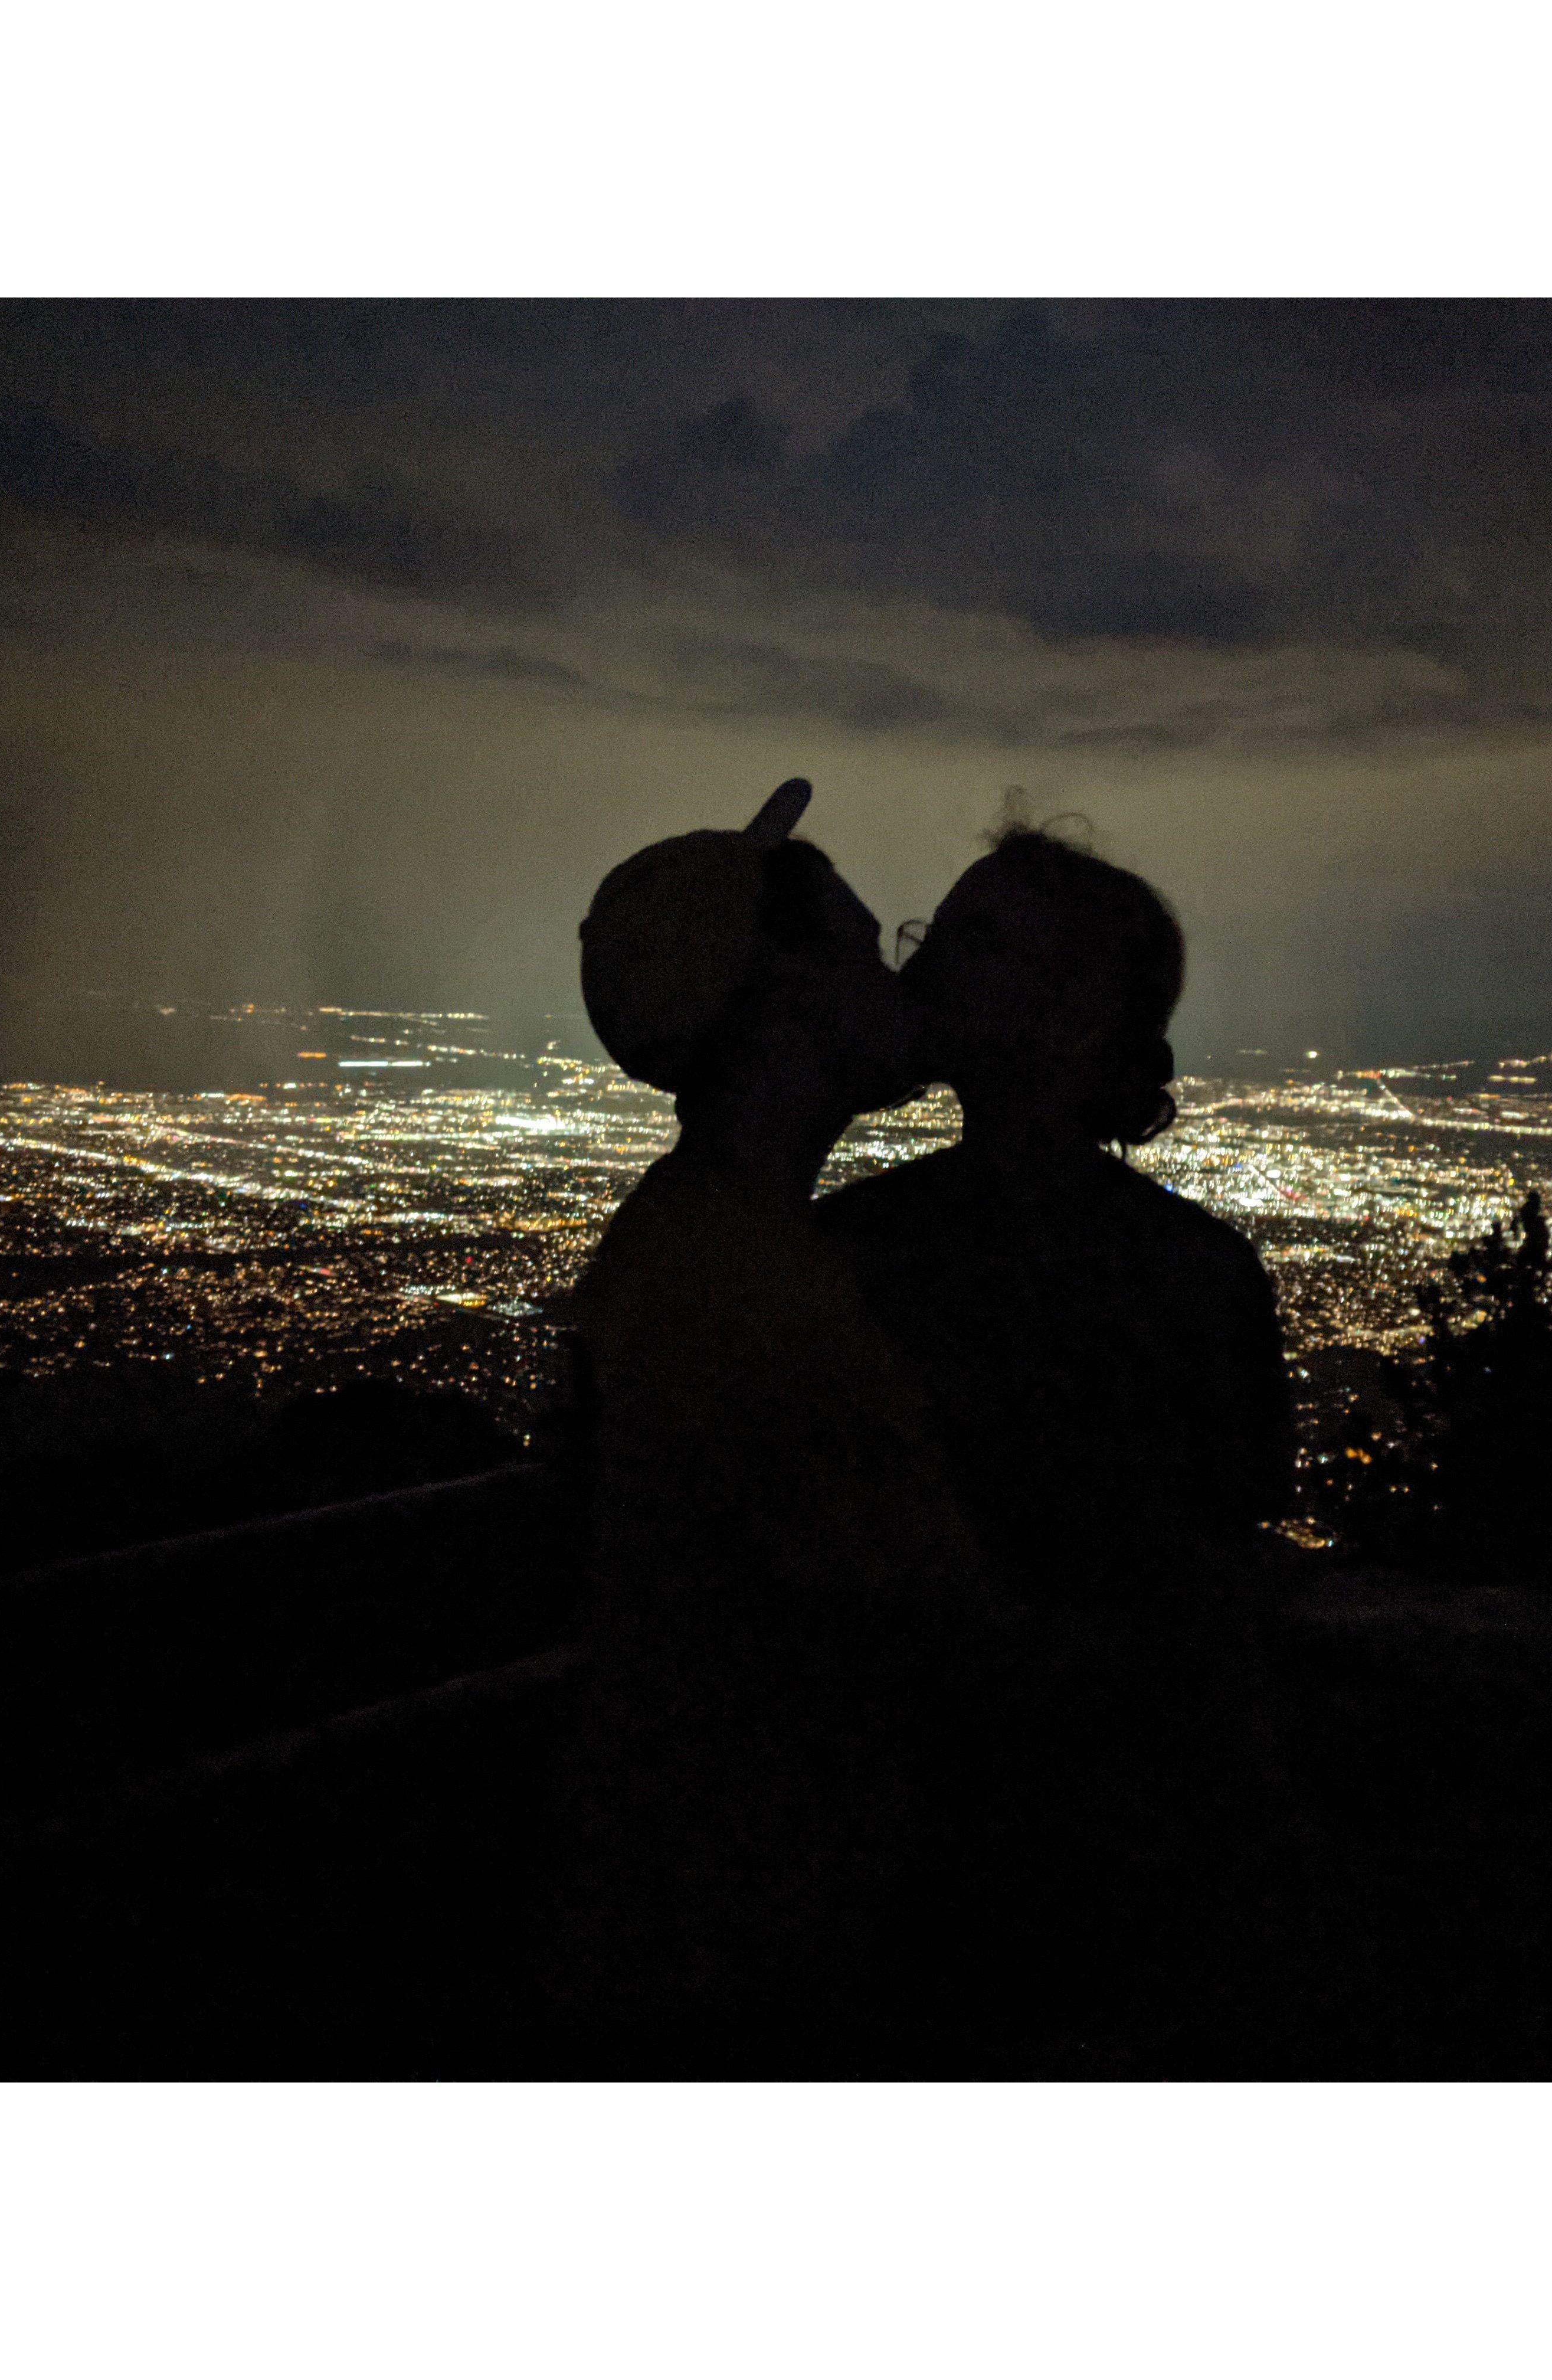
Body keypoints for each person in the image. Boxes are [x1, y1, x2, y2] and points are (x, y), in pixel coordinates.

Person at [814, 823, 1299, 2057]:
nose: (925, 966)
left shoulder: (867, 1247)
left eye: (972, 942)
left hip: (925, 1830)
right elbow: (1227, 1537)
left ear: (1073, 1017)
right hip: (1138, 1834)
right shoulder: (1202, 1270)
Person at [545, 777, 996, 2064]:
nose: (894, 973)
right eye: (859, 949)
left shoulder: (694, 1240)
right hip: (760, 1956)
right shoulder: (756, 1291)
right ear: (786, 998)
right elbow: (926, 1623)